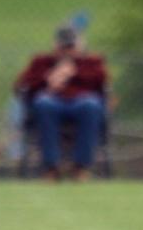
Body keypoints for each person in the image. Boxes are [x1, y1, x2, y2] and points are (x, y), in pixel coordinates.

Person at [14, 25, 108, 181]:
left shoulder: (92, 62)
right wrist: (49, 79)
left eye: (70, 46)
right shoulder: (41, 62)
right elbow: (21, 86)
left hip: (81, 103)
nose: (66, 50)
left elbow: (102, 84)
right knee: (43, 103)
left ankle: (81, 166)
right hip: (52, 103)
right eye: (63, 46)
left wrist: (74, 72)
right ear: (55, 45)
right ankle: (51, 166)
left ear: (79, 45)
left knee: (91, 105)